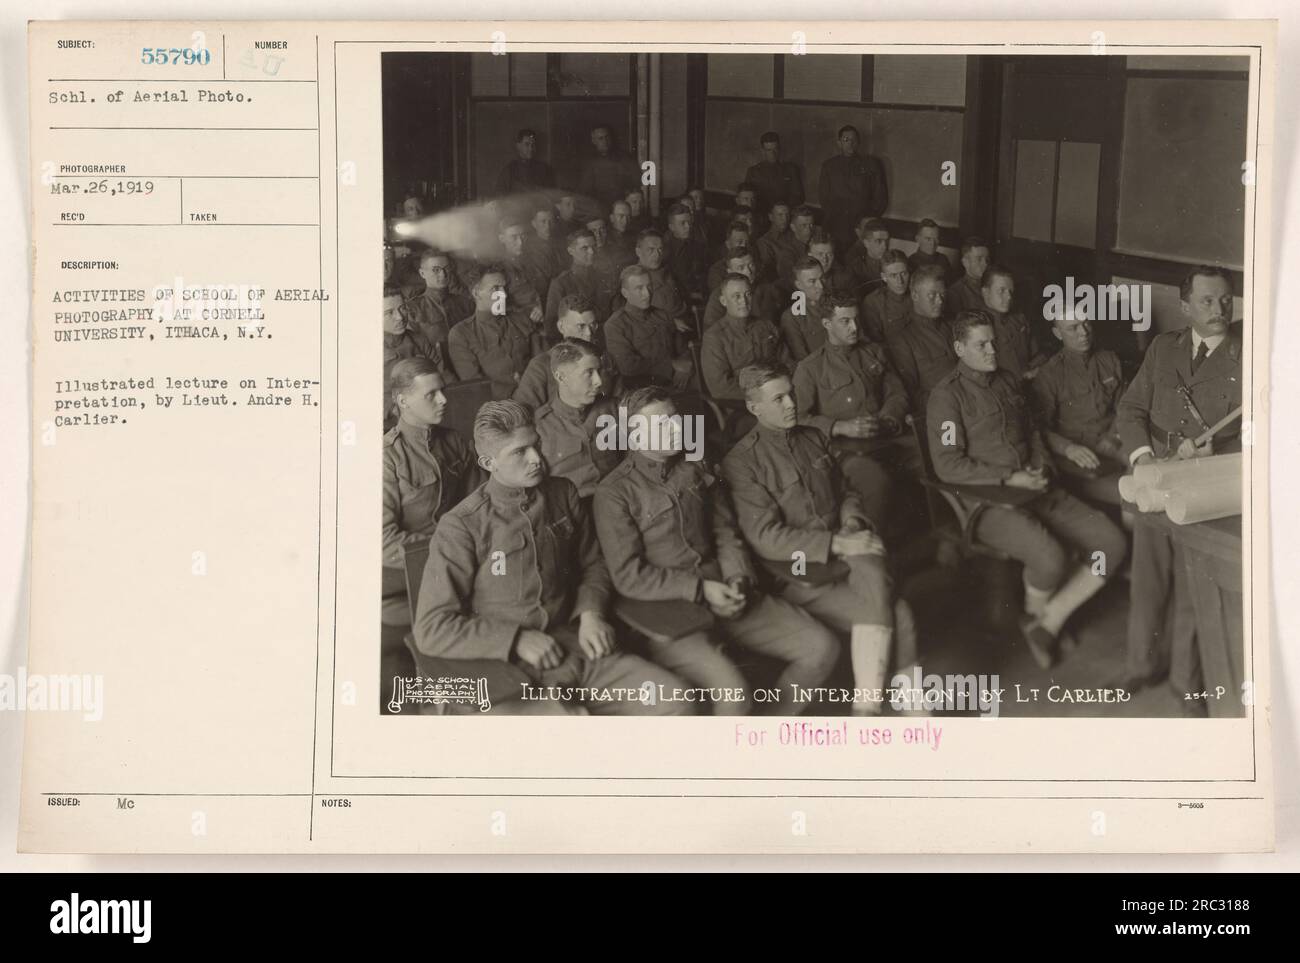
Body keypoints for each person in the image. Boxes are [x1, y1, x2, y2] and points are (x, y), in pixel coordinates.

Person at [414, 400, 692, 715]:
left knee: (675, 700)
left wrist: (591, 613)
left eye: (536, 445)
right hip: (503, 669)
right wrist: (516, 639)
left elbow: (593, 564)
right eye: (519, 452)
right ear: (488, 462)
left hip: (574, 647)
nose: (536, 459)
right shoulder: (463, 524)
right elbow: (432, 628)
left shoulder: (563, 493)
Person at [594, 386, 839, 715]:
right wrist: (699, 589)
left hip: (726, 588)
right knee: (734, 694)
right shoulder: (615, 493)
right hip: (668, 612)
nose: (677, 428)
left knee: (821, 647)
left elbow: (724, 529)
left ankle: (763, 736)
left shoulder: (695, 463)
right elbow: (628, 576)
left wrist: (739, 576)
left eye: (674, 419)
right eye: (661, 424)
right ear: (633, 435)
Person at [926, 312, 1127, 669]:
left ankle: (1047, 622)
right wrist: (1008, 478)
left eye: (993, 343)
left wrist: (1042, 466)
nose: (991, 351)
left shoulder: (1007, 381)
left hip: (1036, 486)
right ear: (959, 348)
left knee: (1110, 544)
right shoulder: (947, 398)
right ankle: (1041, 622)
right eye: (981, 345)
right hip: (988, 501)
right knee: (1050, 558)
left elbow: (1033, 432)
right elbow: (948, 464)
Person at [723, 364, 917, 716]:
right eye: (778, 399)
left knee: (894, 603)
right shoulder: (743, 461)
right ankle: (874, 709)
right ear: (754, 408)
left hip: (843, 562)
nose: (790, 404)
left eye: (791, 394)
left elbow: (846, 490)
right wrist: (838, 544)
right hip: (798, 574)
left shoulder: (812, 437)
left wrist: (853, 519)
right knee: (892, 603)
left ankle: (899, 709)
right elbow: (766, 537)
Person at [1115, 265, 1242, 711]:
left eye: (1225, 300)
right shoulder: (1163, 349)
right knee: (1148, 580)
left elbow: (1261, 430)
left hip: (1204, 488)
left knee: (1194, 588)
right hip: (1157, 476)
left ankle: (1187, 688)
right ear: (1185, 307)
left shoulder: (1246, 358)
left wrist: (1219, 454)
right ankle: (1140, 665)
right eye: (1207, 301)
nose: (1219, 309)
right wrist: (1143, 458)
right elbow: (1130, 409)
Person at [382, 358, 482, 624]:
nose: (443, 400)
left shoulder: (454, 441)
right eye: (431, 395)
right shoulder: (387, 457)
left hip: (463, 559)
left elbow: (478, 502)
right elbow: (383, 541)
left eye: (442, 391)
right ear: (403, 401)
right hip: (411, 570)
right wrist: (447, 551)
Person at [793, 296, 910, 518]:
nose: (855, 327)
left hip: (885, 436)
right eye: (845, 321)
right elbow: (797, 418)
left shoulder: (873, 352)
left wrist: (888, 419)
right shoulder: (810, 368)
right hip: (841, 449)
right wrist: (838, 427)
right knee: (877, 479)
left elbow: (897, 392)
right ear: (827, 324)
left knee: (923, 464)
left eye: (856, 320)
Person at [1030, 308, 1128, 506]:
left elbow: (1125, 405)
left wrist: (1113, 435)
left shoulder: (1109, 359)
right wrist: (1068, 448)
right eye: (1073, 328)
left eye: (1086, 323)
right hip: (1081, 448)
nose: (1083, 332)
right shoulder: (1049, 374)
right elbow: (1039, 428)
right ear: (1058, 334)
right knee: (1132, 494)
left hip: (1114, 437)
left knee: (1150, 469)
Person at [533, 340, 623, 499]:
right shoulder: (540, 427)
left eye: (599, 371)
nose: (599, 381)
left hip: (616, 499)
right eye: (589, 372)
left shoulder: (614, 409)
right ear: (561, 377)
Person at [514, 295, 620, 408]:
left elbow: (621, 400)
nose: (589, 333)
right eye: (581, 326)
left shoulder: (606, 359)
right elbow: (523, 414)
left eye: (593, 325)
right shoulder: (541, 366)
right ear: (561, 327)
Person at [447, 268, 536, 398]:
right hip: (498, 404)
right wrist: (516, 394)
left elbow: (542, 360)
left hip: (535, 392)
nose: (504, 294)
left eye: (504, 288)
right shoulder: (461, 333)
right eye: (495, 289)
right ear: (477, 293)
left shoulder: (521, 320)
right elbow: (475, 383)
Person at [701, 275, 791, 400]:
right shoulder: (714, 337)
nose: (744, 301)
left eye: (748, 294)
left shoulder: (765, 325)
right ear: (723, 301)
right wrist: (763, 394)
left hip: (778, 393)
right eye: (736, 296)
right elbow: (720, 389)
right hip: (744, 402)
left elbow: (787, 362)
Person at [604, 265, 694, 390]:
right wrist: (672, 366)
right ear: (625, 293)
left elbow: (683, 349)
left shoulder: (663, 315)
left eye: (649, 286)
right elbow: (628, 367)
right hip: (641, 391)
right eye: (639, 288)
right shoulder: (615, 325)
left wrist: (686, 363)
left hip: (674, 383)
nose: (647, 294)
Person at [885, 265, 956, 413]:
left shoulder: (953, 326)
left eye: (942, 294)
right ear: (915, 295)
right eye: (932, 295)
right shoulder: (902, 339)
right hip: (941, 411)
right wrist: (950, 404)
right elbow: (911, 393)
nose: (939, 301)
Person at [818, 125, 888, 254]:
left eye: (854, 140)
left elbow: (880, 199)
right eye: (846, 140)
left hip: (862, 228)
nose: (850, 144)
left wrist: (866, 223)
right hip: (836, 227)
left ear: (859, 142)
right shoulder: (829, 166)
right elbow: (824, 198)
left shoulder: (871, 164)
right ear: (839, 143)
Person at [383, 284, 441, 427]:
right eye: (389, 312)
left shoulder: (418, 339)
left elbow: (440, 371)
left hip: (430, 409)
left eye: (402, 308)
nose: (400, 317)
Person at [402, 251, 473, 366]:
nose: (443, 274)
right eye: (436, 270)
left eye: (446, 268)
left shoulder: (465, 303)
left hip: (468, 363)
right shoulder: (413, 309)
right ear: (422, 273)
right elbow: (415, 350)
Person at [979, 266, 1048, 380]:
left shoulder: (1019, 319)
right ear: (985, 292)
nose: (1009, 297)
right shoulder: (977, 325)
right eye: (1001, 291)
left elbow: (1036, 354)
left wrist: (1034, 369)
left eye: (1010, 291)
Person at [545, 228, 613, 329]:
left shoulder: (604, 277)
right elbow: (552, 325)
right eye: (584, 248)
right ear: (570, 251)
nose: (591, 252)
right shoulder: (561, 283)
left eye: (593, 246)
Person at [702, 246, 781, 330]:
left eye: (751, 265)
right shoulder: (719, 295)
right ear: (730, 272)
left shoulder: (767, 289)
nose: (748, 271)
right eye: (741, 268)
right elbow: (712, 331)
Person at [496, 216, 546, 325]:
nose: (520, 242)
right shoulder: (497, 271)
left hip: (547, 316)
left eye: (523, 236)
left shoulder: (537, 260)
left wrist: (543, 306)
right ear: (502, 239)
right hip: (522, 325)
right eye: (514, 237)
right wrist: (530, 314)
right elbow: (498, 309)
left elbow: (549, 288)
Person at [779, 257, 830, 361]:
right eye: (812, 281)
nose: (820, 286)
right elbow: (802, 360)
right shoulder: (792, 317)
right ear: (799, 285)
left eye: (822, 278)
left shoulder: (837, 304)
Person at [578, 124, 639, 211]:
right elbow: (584, 190)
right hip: (599, 208)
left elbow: (636, 182)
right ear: (594, 141)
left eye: (607, 137)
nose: (605, 141)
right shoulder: (589, 163)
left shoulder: (625, 158)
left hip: (622, 207)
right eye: (600, 138)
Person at [745, 131, 805, 214]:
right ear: (762, 151)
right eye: (769, 150)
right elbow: (747, 196)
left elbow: (799, 197)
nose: (773, 153)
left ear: (779, 148)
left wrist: (780, 210)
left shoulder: (791, 169)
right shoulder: (753, 172)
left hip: (783, 214)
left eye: (775, 149)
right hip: (760, 215)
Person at [860, 250, 912, 344]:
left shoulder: (917, 293)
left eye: (903, 273)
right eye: (893, 275)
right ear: (884, 277)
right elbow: (875, 344)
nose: (900, 281)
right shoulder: (873, 302)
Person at [664, 202, 709, 303]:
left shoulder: (699, 246)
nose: (688, 226)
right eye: (682, 223)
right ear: (672, 227)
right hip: (677, 300)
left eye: (689, 222)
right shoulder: (665, 251)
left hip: (701, 296)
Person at [493, 128, 556, 196]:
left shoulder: (543, 169)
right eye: (527, 144)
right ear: (518, 146)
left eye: (533, 145)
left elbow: (551, 193)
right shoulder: (509, 170)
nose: (531, 148)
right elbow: (499, 195)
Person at [523, 206, 567, 294]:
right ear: (534, 224)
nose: (548, 226)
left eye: (551, 221)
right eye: (543, 222)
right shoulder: (531, 249)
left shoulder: (560, 243)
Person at [845, 217, 890, 297]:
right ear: (866, 243)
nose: (885, 246)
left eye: (887, 241)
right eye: (879, 241)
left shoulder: (894, 263)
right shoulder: (855, 268)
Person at [947, 237, 992, 317]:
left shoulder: (993, 285)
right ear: (965, 262)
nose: (985, 264)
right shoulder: (956, 292)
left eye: (987, 259)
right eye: (979, 259)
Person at [806, 229, 855, 299]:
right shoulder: (802, 278)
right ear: (810, 256)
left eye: (829, 254)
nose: (825, 259)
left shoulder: (846, 278)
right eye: (820, 254)